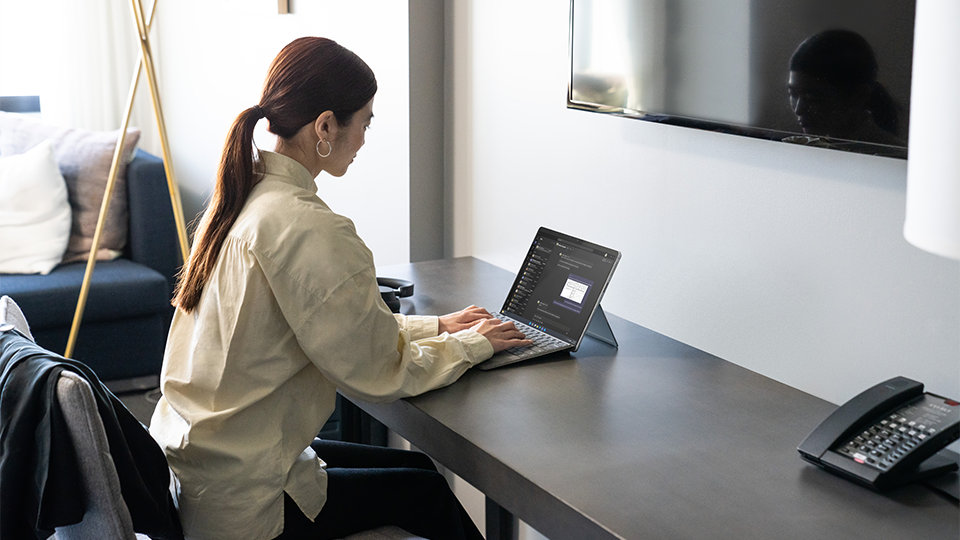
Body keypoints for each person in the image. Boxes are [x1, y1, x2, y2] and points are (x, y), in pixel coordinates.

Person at [148, 36, 531, 540]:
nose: (366, 138)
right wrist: (471, 344)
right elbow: (376, 372)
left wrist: (435, 324)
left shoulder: (241, 201)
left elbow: (333, 326)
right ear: (325, 126)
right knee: (428, 496)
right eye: (366, 121)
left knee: (418, 474)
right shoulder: (308, 227)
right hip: (245, 502)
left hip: (203, 462)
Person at [786, 29, 904, 147]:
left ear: (858, 96)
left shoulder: (892, 156)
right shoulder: (802, 147)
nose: (798, 109)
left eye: (812, 97)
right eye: (793, 94)